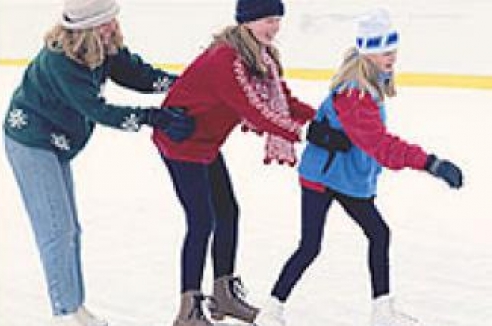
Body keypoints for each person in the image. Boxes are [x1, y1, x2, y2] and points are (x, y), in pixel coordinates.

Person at [253, 8, 464, 326]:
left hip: (347, 177)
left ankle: (382, 311)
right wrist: (430, 163)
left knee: (378, 234)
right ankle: (271, 310)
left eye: (392, 50)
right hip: (323, 177)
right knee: (312, 245)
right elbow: (380, 145)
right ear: (367, 54)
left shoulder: (368, 83)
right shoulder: (354, 94)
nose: (391, 58)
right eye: (383, 52)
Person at [2, 0, 195, 325]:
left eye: (112, 19)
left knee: (70, 229)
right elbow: (99, 110)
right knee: (57, 228)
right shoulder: (61, 60)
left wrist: (185, 85)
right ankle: (66, 312)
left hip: (56, 141)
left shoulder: (104, 46)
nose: (111, 27)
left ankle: (73, 306)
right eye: (102, 23)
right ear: (83, 29)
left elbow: (139, 75)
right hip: (30, 140)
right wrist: (152, 118)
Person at [151, 0, 315, 325]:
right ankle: (189, 308)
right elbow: (255, 110)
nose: (275, 27)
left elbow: (285, 101)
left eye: (277, 20)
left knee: (227, 211)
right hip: (180, 143)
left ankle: (223, 294)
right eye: (268, 20)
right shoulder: (226, 60)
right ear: (247, 21)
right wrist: (309, 133)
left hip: (207, 145)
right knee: (201, 221)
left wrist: (324, 120)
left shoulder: (261, 58)